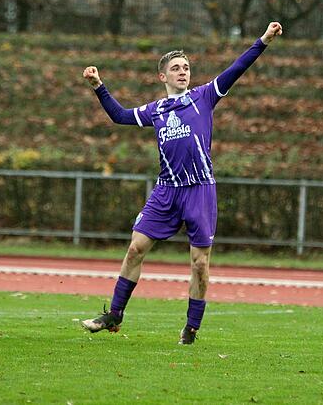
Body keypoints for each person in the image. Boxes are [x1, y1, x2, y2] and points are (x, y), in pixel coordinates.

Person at [80, 22, 283, 344]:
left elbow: (237, 68)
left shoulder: (203, 96)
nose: (183, 72)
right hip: (166, 190)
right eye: (176, 68)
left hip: (200, 189)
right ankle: (114, 315)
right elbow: (119, 116)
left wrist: (263, 41)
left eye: (186, 67)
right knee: (135, 249)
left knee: (200, 264)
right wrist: (98, 86)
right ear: (163, 76)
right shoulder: (156, 110)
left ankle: (191, 328)